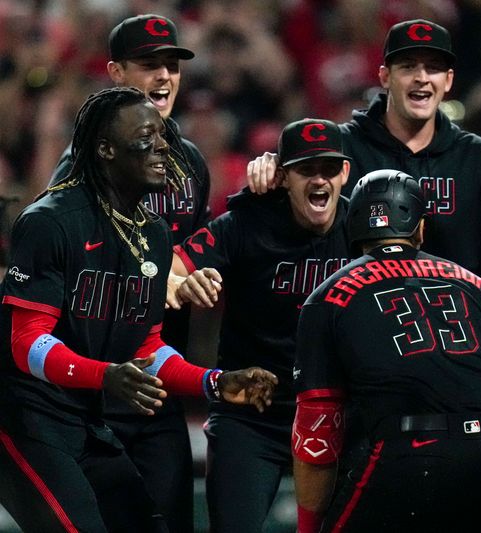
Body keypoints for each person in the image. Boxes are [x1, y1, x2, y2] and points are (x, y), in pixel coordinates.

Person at [0, 87, 277, 533]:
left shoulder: (153, 232)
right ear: (105, 149)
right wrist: (105, 375)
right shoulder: (50, 221)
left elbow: (148, 346)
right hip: (23, 418)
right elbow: (25, 343)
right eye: (146, 137)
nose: (163, 146)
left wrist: (213, 381)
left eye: (164, 136)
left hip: (84, 416)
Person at [291, 169, 481, 533]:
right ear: (420, 228)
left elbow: (318, 431)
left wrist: (308, 527)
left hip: (411, 458)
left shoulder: (327, 297)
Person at [48, 14, 211, 531]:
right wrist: (157, 277)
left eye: (171, 66)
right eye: (148, 65)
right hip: (97, 398)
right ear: (116, 72)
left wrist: (189, 274)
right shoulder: (82, 169)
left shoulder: (190, 163)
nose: (164, 77)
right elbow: (77, 280)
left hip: (159, 390)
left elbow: (186, 255)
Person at [247, 19, 481, 284]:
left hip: (457, 333)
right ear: (385, 77)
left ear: (448, 81)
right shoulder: (339, 150)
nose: (421, 77)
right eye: (408, 66)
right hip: (359, 330)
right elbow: (268, 227)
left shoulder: (476, 158)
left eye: (433, 68)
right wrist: (276, 172)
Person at [170, 118, 352, 533]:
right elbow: (170, 269)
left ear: (345, 173)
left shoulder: (362, 227)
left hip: (339, 414)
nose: (319, 179)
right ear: (284, 177)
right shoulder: (245, 222)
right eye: (306, 169)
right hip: (252, 416)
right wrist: (183, 282)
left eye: (328, 168)